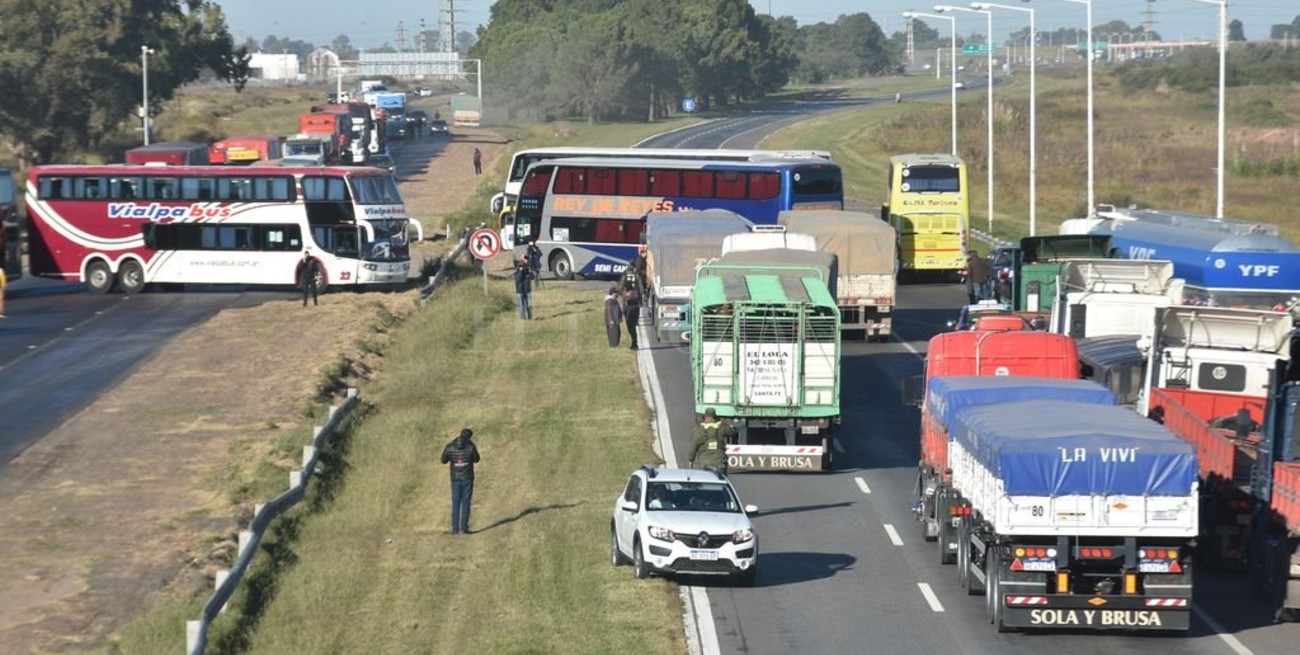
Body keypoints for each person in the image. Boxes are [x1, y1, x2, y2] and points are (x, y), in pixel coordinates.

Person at [440, 428, 481, 535]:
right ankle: (464, 527)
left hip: (455, 478)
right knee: (466, 502)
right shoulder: (470, 447)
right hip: (467, 477)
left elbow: (443, 460)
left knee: (456, 502)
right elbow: (476, 459)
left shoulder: (450, 447)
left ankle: (455, 528)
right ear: (469, 437)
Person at [690, 408, 736, 472]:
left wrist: (691, 460)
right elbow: (732, 432)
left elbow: (693, 446)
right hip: (719, 463)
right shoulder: (721, 427)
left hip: (704, 463)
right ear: (715, 417)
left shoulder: (699, 430)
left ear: (704, 417)